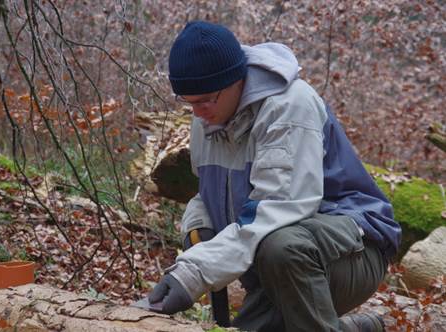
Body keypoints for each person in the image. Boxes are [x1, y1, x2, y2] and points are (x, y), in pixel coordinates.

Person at [147, 21, 401, 332]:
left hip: (353, 253)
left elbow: (278, 208)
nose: (197, 112)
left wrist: (194, 272)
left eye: (204, 101)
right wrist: (198, 226)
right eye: (188, 102)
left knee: (283, 246)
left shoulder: (289, 107)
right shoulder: (208, 117)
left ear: (234, 81)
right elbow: (207, 191)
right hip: (280, 258)